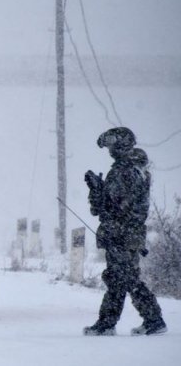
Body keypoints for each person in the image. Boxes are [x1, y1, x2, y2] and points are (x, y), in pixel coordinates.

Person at [83, 127, 167, 336]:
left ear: (122, 144)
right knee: (120, 278)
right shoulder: (130, 169)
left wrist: (97, 190)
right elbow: (108, 205)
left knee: (124, 278)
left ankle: (146, 321)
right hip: (123, 233)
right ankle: (117, 323)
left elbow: (112, 207)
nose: (110, 149)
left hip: (123, 233)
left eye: (112, 144)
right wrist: (98, 190)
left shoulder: (126, 170)